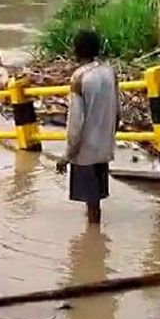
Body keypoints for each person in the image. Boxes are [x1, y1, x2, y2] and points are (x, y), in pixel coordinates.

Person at [56, 29, 120, 224]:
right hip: (104, 145)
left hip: (85, 151)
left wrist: (67, 155)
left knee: (91, 202)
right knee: (96, 198)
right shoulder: (110, 72)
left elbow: (76, 123)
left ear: (77, 51)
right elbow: (118, 112)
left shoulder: (79, 78)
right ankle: (95, 240)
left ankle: (93, 241)